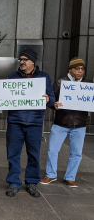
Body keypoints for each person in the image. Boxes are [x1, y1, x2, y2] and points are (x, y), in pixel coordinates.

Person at [0, 49, 55, 198]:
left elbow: (52, 98)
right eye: (21, 59)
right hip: (15, 122)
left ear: (33, 62)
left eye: (25, 59)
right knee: (13, 154)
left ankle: (32, 183)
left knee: (34, 154)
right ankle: (14, 183)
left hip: (35, 123)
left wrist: (48, 99)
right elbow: (4, 98)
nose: (22, 61)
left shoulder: (44, 78)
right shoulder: (12, 77)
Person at [40, 57, 92, 188]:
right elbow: (51, 100)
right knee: (52, 150)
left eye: (82, 68)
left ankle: (70, 177)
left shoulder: (88, 84)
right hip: (60, 123)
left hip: (80, 124)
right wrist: (54, 104)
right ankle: (51, 174)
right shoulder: (60, 83)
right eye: (77, 68)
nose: (80, 71)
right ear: (70, 69)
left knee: (76, 153)